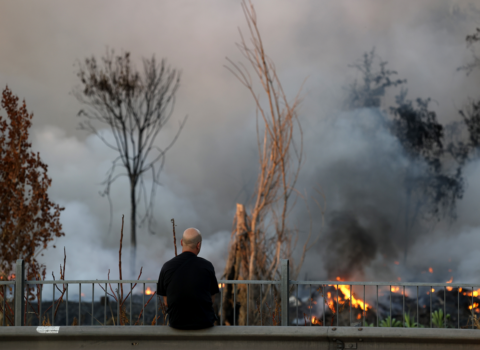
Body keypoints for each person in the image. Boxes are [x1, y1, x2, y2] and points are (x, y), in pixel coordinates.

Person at [157, 228, 220, 329]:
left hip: (177, 324)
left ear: (181, 242)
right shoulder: (207, 266)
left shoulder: (167, 267)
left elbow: (166, 302)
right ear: (198, 245)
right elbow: (211, 299)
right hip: (204, 324)